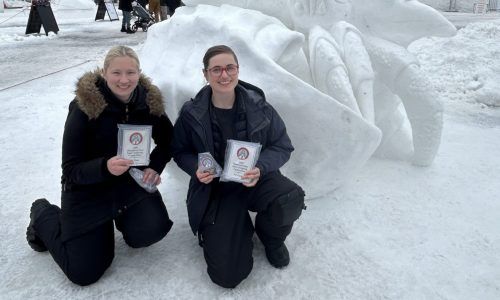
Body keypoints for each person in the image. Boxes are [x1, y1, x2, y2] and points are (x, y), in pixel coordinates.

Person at [26, 46, 174, 286]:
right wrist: (105, 167)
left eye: (130, 72)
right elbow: (70, 170)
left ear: (139, 73)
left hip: (128, 185)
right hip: (87, 188)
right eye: (116, 73)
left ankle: (120, 219)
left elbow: (169, 140)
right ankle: (43, 213)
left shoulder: (148, 102)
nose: (124, 80)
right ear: (104, 73)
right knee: (84, 272)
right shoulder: (85, 106)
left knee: (150, 230)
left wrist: (155, 166)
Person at [171, 45, 306, 288]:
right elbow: (180, 151)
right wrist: (195, 169)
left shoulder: (260, 107)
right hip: (216, 188)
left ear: (238, 69)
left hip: (253, 178)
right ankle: (233, 226)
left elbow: (282, 146)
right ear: (206, 74)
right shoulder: (192, 113)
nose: (224, 75)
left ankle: (271, 238)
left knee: (290, 198)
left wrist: (261, 167)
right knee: (228, 276)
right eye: (216, 69)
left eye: (230, 68)